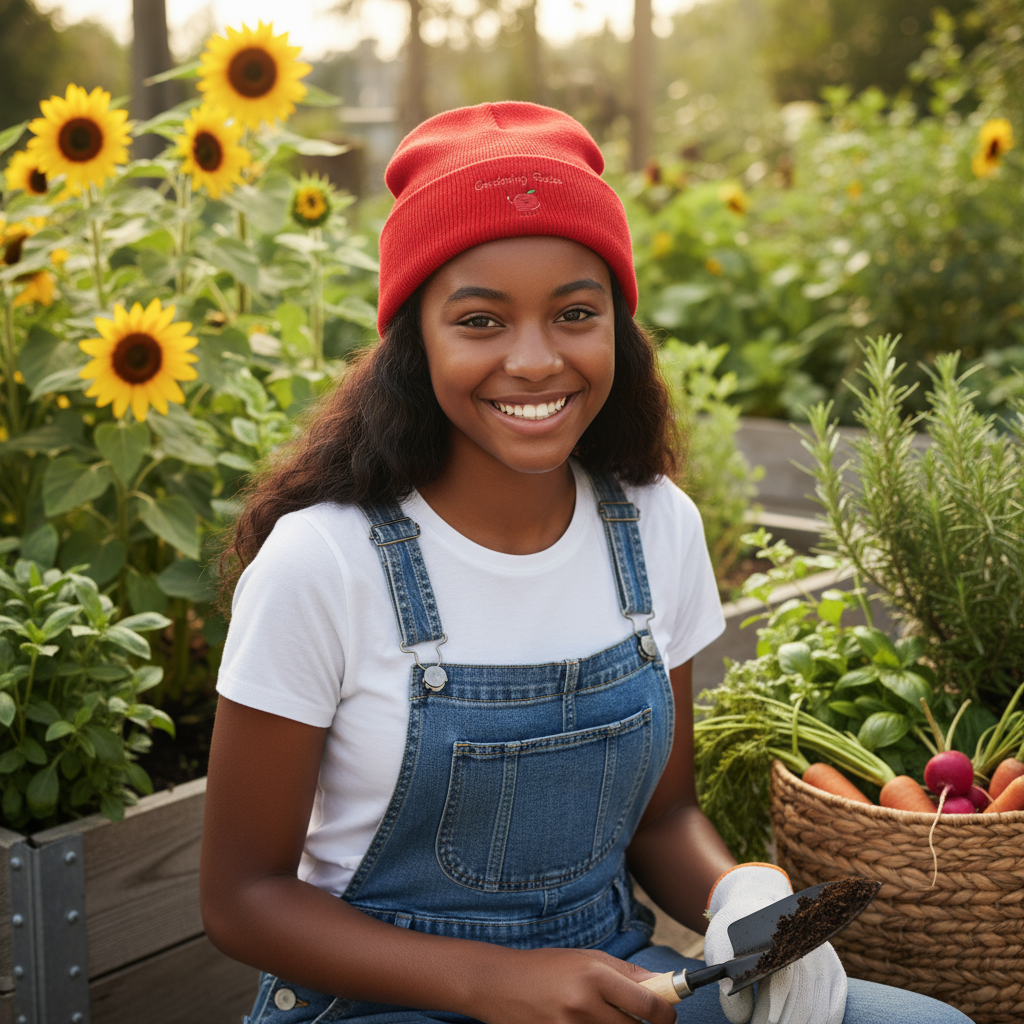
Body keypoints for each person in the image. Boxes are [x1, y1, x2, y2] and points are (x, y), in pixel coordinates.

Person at [200, 102, 972, 1024]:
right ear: (415, 341)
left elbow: (663, 819)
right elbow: (242, 897)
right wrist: (493, 983)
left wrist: (739, 898)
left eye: (575, 313)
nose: (534, 361)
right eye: (480, 320)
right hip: (373, 1002)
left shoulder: (655, 528)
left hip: (614, 979)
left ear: (618, 326)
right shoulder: (324, 560)